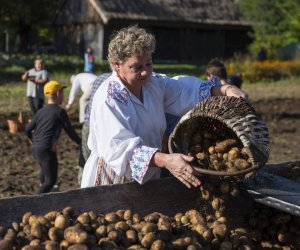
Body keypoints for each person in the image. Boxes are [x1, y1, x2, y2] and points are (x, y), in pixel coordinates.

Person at [81, 25, 247, 189]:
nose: (145, 72)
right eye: (137, 67)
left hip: (150, 174)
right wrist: (166, 160)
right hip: (114, 178)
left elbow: (183, 90)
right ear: (117, 65)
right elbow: (120, 149)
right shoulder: (110, 98)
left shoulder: (153, 84)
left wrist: (224, 89)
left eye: (148, 64)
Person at [25, 80, 81, 193]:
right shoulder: (60, 111)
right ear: (57, 94)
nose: (63, 96)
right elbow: (70, 132)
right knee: (50, 181)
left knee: (45, 174)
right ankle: (33, 203)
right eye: (62, 92)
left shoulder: (41, 111)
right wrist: (81, 143)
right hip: (47, 148)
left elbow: (27, 129)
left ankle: (44, 200)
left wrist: (33, 140)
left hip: (36, 148)